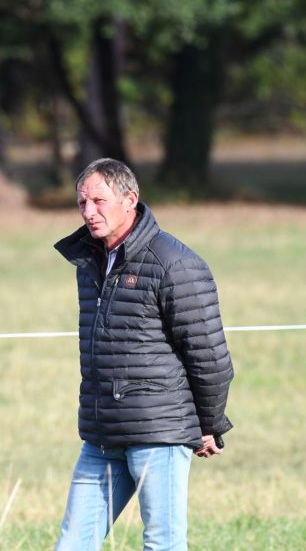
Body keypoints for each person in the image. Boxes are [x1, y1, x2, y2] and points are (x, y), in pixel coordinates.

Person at [53, 158, 234, 551]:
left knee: (162, 545)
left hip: (160, 434)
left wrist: (209, 423)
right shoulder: (89, 261)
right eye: (82, 203)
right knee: (71, 545)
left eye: (98, 201)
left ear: (129, 199)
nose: (88, 212)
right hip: (102, 435)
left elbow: (210, 357)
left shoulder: (175, 263)